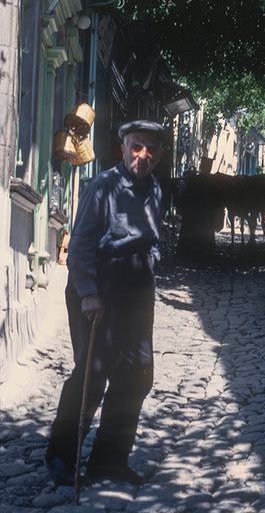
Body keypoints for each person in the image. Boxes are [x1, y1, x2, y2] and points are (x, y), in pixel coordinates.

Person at [45, 120, 166, 487]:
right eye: (136, 146)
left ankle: (109, 460)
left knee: (137, 373)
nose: (143, 155)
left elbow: (152, 239)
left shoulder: (155, 188)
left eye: (151, 148)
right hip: (100, 284)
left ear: (159, 154)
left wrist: (150, 264)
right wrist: (89, 293)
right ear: (123, 149)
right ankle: (62, 456)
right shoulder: (103, 187)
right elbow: (80, 244)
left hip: (137, 287)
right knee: (92, 373)